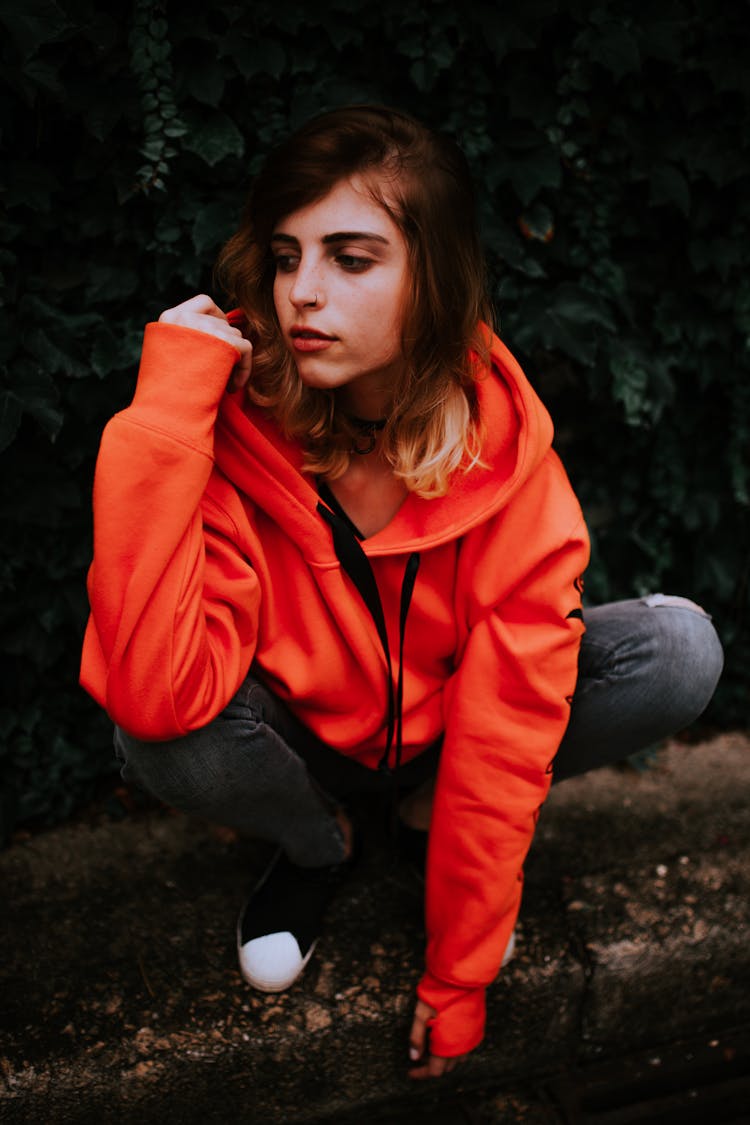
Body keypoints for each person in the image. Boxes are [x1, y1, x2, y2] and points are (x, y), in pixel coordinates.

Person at [80, 105, 723, 1079]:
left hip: (447, 732)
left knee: (679, 649)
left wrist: (459, 978)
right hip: (300, 746)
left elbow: (508, 730)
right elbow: (155, 687)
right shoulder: (232, 429)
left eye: (351, 258)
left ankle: (426, 816)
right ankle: (318, 848)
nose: (302, 294)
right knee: (154, 732)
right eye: (287, 255)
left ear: (434, 276)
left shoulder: (507, 463)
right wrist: (166, 407)